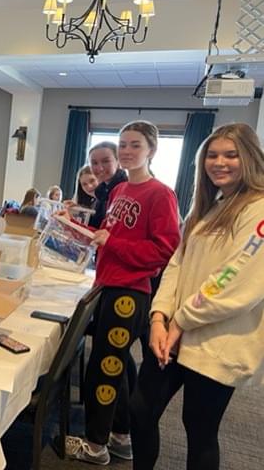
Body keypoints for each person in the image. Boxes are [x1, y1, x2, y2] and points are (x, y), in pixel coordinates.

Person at [130, 123, 264, 470]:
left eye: (231, 155)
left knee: (200, 429)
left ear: (249, 158)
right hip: (173, 333)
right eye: (212, 155)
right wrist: (159, 318)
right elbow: (177, 263)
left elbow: (233, 281)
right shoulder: (209, 206)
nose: (220, 163)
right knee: (141, 410)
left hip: (219, 340)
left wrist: (180, 321)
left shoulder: (259, 208)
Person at [65, 121, 181, 465]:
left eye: (135, 145)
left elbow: (164, 250)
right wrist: (73, 226)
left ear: (151, 150)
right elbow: (105, 235)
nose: (128, 151)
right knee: (116, 366)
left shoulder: (160, 193)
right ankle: (120, 435)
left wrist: (112, 242)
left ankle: (95, 445)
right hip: (107, 284)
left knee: (105, 368)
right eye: (124, 145)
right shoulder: (119, 191)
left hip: (130, 292)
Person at [89, 141, 128, 228]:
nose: (100, 168)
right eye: (94, 163)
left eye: (106, 161)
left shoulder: (127, 190)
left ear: (118, 162)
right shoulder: (101, 192)